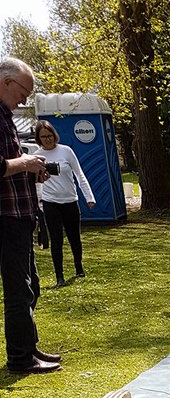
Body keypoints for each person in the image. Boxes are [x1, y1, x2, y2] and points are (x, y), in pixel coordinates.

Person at [0, 57, 60, 374]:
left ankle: (30, 348)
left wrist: (30, 169)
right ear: (7, 82)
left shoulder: (6, 116)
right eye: (24, 90)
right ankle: (21, 359)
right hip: (7, 218)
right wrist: (25, 163)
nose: (26, 98)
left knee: (30, 285)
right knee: (17, 290)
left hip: (21, 215)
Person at [35, 119, 95, 286]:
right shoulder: (36, 157)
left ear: (54, 135)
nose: (48, 139)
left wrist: (89, 197)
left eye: (50, 135)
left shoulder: (66, 151)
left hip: (70, 200)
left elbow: (79, 174)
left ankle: (78, 267)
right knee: (56, 239)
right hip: (50, 202)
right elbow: (34, 182)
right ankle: (59, 276)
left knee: (74, 236)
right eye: (44, 137)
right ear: (39, 139)